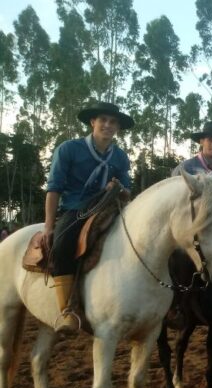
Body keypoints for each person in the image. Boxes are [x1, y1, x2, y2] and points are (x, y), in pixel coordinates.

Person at [45, 101, 134, 333]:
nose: (108, 125)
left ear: (117, 128)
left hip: (109, 207)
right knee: (63, 243)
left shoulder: (120, 157)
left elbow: (127, 191)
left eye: (113, 122)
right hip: (76, 209)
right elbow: (53, 189)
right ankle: (67, 311)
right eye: (103, 120)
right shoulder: (68, 149)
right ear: (92, 122)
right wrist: (48, 226)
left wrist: (119, 188)